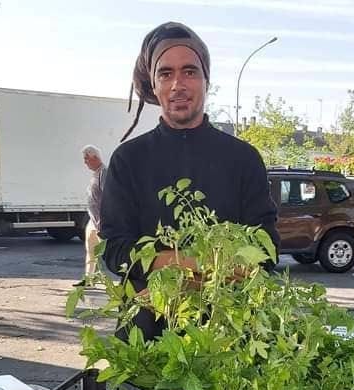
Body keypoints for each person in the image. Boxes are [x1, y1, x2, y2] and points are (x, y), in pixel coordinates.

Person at [100, 21, 280, 340]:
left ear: (206, 80)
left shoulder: (243, 159)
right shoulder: (128, 160)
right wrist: (189, 263)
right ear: (153, 85)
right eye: (165, 73)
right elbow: (114, 250)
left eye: (190, 71)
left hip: (225, 336)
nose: (177, 85)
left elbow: (265, 248)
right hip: (146, 338)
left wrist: (208, 273)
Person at [75, 144, 107, 286]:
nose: (85, 162)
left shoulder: (103, 173)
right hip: (92, 219)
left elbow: (108, 197)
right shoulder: (96, 174)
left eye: (86, 159)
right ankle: (89, 278)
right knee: (90, 250)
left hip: (101, 220)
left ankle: (123, 279)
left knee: (106, 252)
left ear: (94, 158)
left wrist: (104, 221)